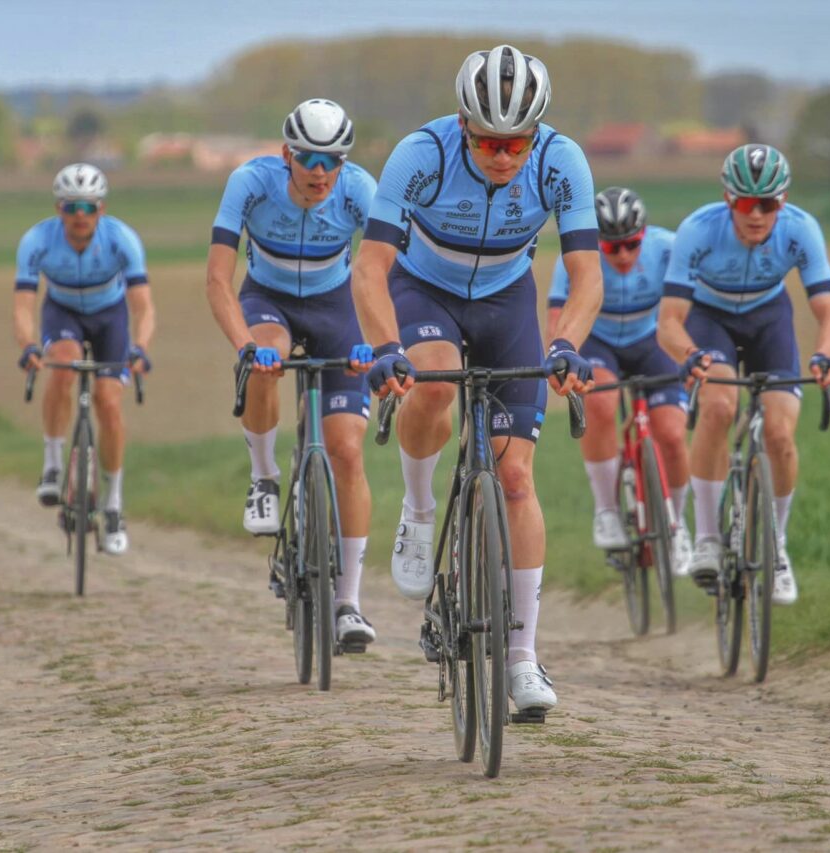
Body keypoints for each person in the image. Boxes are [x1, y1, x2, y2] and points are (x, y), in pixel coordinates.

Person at [352, 45, 601, 714]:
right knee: (434, 382)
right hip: (423, 290)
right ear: (463, 124)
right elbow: (371, 265)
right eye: (489, 140)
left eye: (516, 142)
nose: (503, 155)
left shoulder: (560, 160)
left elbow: (586, 275)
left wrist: (569, 342)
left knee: (516, 477)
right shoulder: (420, 154)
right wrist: (383, 345)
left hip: (507, 298)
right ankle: (419, 507)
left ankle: (522, 657)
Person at [205, 99, 379, 646]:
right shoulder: (250, 183)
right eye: (308, 158)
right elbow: (217, 278)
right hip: (268, 301)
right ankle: (264, 476)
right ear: (286, 154)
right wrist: (243, 346)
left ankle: (349, 601)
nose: (321, 172)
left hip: (337, 307)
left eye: (333, 159)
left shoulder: (359, 190)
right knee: (265, 361)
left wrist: (379, 344)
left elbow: (390, 274)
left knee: (347, 450)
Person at [657, 144, 830, 605]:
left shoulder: (801, 229)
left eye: (768, 204)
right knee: (719, 406)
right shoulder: (698, 230)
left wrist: (824, 354)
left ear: (783, 201)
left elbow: (829, 309)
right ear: (727, 198)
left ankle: (776, 546)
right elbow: (669, 321)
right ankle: (707, 538)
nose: (756, 214)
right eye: (745, 203)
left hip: (768, 318)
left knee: (780, 435)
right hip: (710, 318)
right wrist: (690, 354)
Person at [547, 187, 692, 574]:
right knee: (600, 403)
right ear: (598, 243)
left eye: (631, 245)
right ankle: (607, 510)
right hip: (600, 341)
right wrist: (561, 358)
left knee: (673, 435)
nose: (623, 255)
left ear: (644, 235)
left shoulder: (668, 248)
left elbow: (690, 308)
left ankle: (677, 524)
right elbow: (558, 315)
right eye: (612, 248)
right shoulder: (578, 257)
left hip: (652, 340)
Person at [14, 163, 155, 556]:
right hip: (62, 312)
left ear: (101, 209)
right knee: (61, 363)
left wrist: (140, 348)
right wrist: (28, 345)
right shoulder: (37, 241)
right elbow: (23, 305)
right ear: (59, 209)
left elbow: (143, 307)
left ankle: (112, 504)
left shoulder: (122, 239)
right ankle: (54, 463)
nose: (80, 216)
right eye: (72, 207)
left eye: (88, 207)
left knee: (108, 403)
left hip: (110, 317)